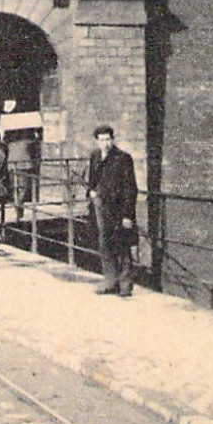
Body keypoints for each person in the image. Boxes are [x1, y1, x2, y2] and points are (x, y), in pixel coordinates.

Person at [85, 124, 138, 297]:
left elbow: (131, 187)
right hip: (100, 205)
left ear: (112, 139)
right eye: (101, 140)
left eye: (108, 139)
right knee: (105, 243)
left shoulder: (123, 158)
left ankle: (125, 284)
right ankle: (110, 281)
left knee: (122, 243)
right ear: (97, 141)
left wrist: (127, 215)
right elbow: (92, 178)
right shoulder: (95, 156)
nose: (105, 143)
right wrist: (91, 191)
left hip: (117, 207)